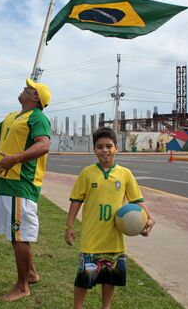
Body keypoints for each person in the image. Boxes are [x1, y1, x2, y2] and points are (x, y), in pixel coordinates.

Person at [0, 78, 51, 301]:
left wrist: (15, 159)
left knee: (19, 235)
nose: (25, 87)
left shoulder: (38, 117)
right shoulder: (13, 117)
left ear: (36, 98)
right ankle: (31, 274)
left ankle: (22, 286)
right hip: (5, 183)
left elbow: (43, 145)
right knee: (16, 235)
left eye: (30, 88)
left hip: (20, 183)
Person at [65, 127, 155, 309]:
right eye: (100, 147)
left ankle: (106, 307)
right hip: (92, 237)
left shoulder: (125, 174)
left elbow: (137, 200)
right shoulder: (87, 173)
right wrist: (69, 227)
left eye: (108, 146)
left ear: (116, 148)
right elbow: (76, 201)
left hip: (114, 238)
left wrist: (149, 218)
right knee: (84, 278)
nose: (104, 150)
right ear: (94, 149)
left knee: (109, 277)